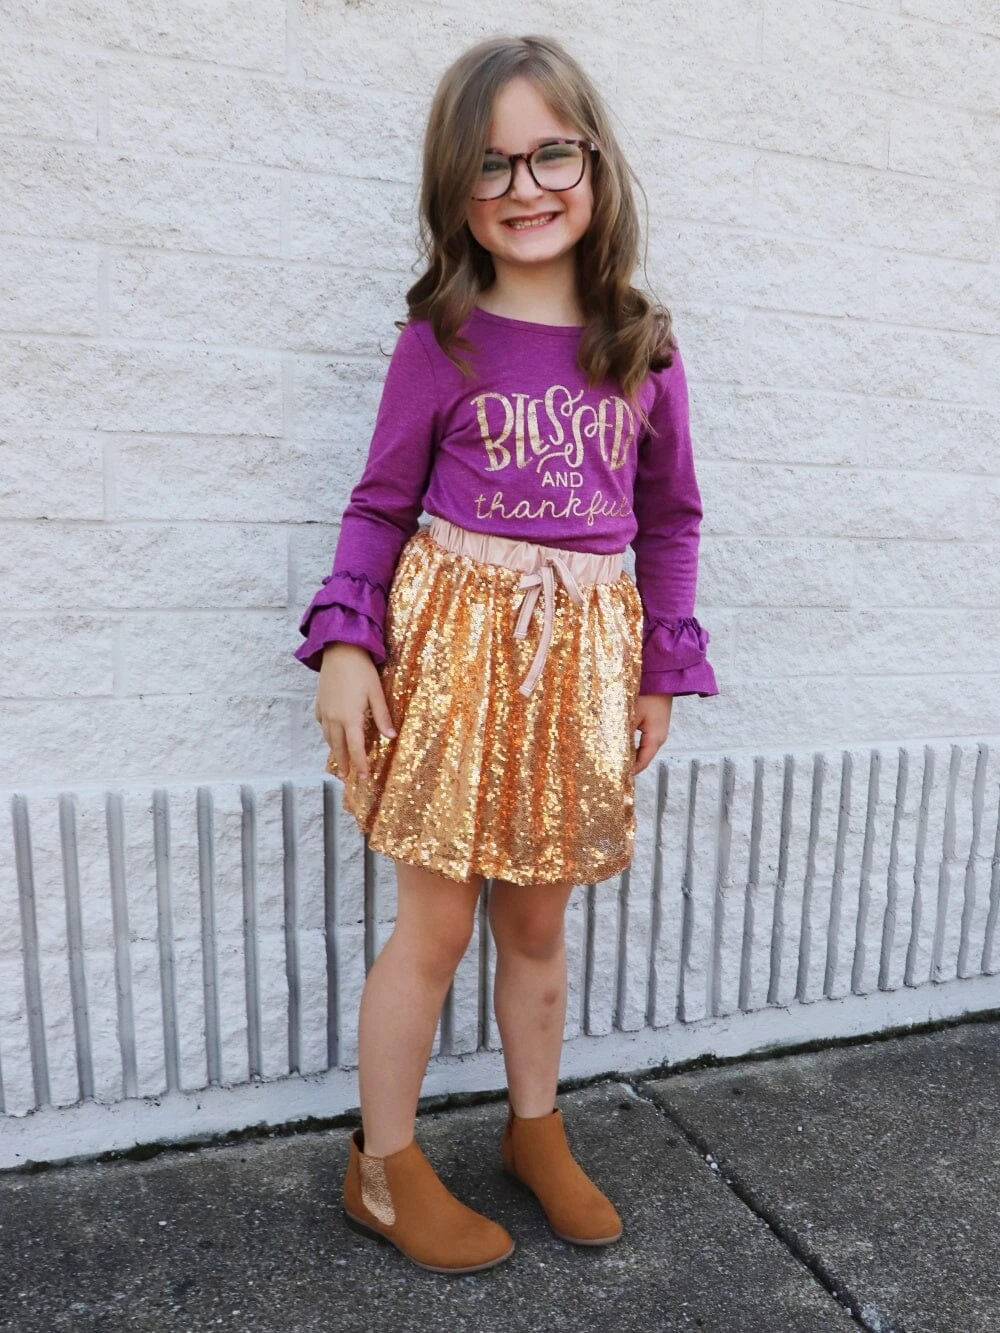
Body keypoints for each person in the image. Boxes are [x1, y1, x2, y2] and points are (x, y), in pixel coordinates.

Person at [293, 33, 718, 1275]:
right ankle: (383, 1165)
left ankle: (535, 1131)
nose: (524, 187)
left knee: (536, 925)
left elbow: (668, 521)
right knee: (432, 929)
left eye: (550, 155)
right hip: (452, 658)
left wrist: (659, 670)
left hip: (580, 666)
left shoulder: (640, 343)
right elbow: (379, 502)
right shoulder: (444, 336)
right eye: (491, 165)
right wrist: (346, 643)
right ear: (456, 187)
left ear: (594, 164)